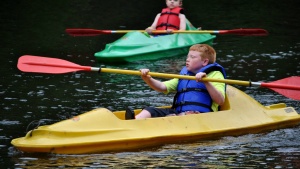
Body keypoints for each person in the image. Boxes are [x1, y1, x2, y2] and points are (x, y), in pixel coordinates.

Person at [125, 44, 226, 120]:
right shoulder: (184, 75)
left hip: (201, 115)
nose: (187, 60)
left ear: (205, 62)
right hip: (179, 112)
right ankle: (134, 122)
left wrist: (206, 82)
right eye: (188, 56)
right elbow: (162, 87)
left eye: (192, 57)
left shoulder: (215, 75)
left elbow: (220, 101)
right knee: (149, 110)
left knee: (185, 115)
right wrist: (147, 78)